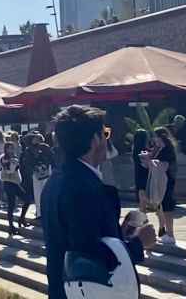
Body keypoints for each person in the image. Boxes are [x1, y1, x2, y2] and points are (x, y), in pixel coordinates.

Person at [41, 105, 156, 299]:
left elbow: (83, 236)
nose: (107, 139)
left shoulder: (57, 180)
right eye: (105, 133)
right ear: (95, 140)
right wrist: (138, 243)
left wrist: (121, 232)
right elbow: (89, 255)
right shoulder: (83, 187)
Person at [152, 127, 178, 245]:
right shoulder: (162, 148)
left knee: (167, 207)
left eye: (155, 136)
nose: (154, 139)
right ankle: (167, 233)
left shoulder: (167, 149)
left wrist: (150, 162)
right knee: (163, 206)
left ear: (160, 137)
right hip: (163, 181)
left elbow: (164, 166)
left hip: (167, 181)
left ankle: (170, 234)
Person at [0, 142, 30, 235]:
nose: (11, 150)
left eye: (12, 148)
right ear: (6, 149)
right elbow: (9, 171)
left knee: (27, 200)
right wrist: (13, 164)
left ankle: (21, 219)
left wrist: (15, 163)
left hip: (15, 182)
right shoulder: (4, 158)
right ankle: (11, 227)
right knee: (11, 204)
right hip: (8, 183)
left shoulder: (14, 157)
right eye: (9, 148)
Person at [133, 129, 150, 212]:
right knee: (143, 191)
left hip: (138, 172)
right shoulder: (144, 149)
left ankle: (142, 209)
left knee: (141, 190)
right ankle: (143, 209)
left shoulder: (135, 149)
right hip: (145, 172)